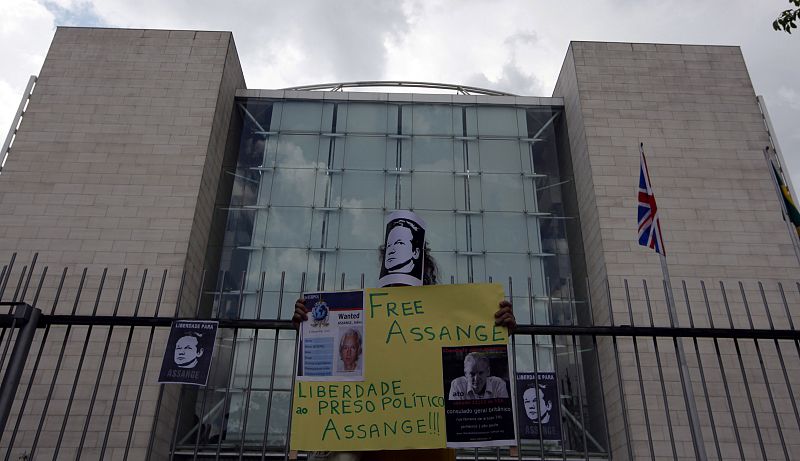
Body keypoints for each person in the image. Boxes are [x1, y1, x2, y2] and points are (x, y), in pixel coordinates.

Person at [293, 244, 516, 461]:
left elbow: (476, 355)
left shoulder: (446, 321)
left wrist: (497, 328)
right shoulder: (371, 325)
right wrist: (311, 327)